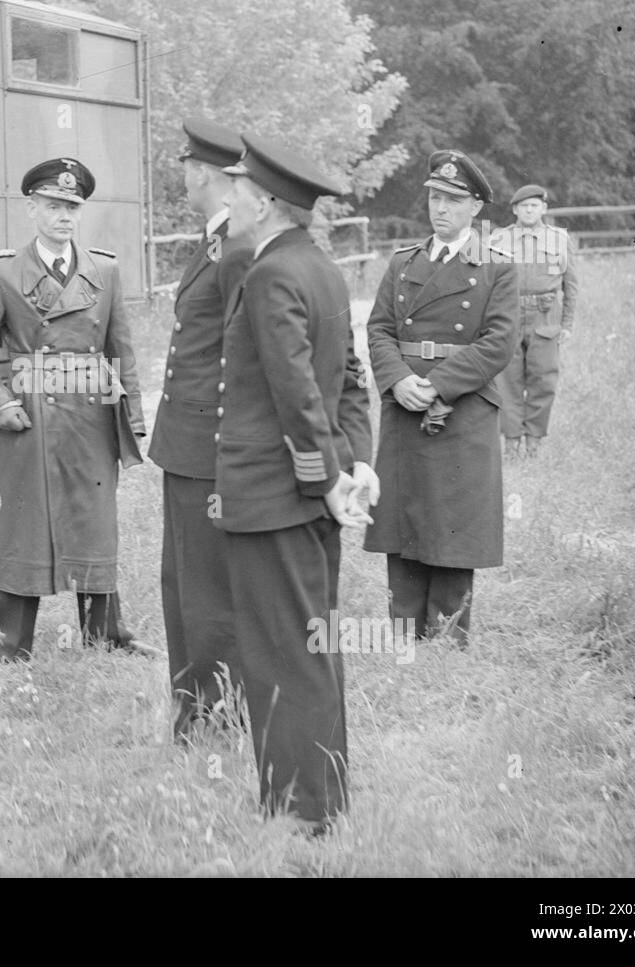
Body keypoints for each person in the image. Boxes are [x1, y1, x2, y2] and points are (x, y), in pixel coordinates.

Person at [214, 133, 375, 832]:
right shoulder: (322, 267)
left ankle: (301, 811)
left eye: (240, 191)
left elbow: (298, 393)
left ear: (269, 204)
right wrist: (351, 467)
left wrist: (328, 476)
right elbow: (347, 383)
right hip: (304, 496)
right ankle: (322, 796)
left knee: (282, 653)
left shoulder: (272, 274)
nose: (231, 200)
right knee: (312, 645)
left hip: (277, 496)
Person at [0, 157, 148, 659]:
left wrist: (134, 419)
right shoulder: (1, 273)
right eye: (54, 205)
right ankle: (9, 641)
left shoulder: (104, 269)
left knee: (94, 517)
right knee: (25, 519)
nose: (65, 215)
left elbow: (119, 350)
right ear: (32, 209)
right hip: (30, 418)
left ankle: (105, 633)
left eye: (72, 207)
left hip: (91, 417)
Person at [363, 150, 519, 644]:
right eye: (435, 197)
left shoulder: (497, 269)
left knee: (453, 518)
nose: (441, 208)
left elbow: (498, 342)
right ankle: (404, 633)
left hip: (463, 407)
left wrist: (438, 385)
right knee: (403, 513)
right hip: (404, 403)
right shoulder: (403, 262)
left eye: (453, 199)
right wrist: (398, 380)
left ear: (475, 208)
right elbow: (379, 329)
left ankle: (447, 638)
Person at [148, 118, 249, 739]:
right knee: (183, 585)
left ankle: (217, 713)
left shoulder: (235, 247)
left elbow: (244, 353)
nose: (182, 174)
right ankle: (196, 705)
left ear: (203, 173)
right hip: (187, 446)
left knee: (207, 590)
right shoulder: (216, 240)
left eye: (186, 164)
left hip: (212, 448)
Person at [490, 183, 579, 458]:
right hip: (509, 314)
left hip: (546, 314)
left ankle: (534, 442)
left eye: (534, 206)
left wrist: (567, 325)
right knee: (508, 380)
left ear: (544, 208)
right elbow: (487, 283)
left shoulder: (560, 239)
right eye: (524, 206)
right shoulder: (498, 239)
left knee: (544, 379)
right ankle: (512, 441)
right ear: (515, 209)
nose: (529, 210)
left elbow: (571, 284)